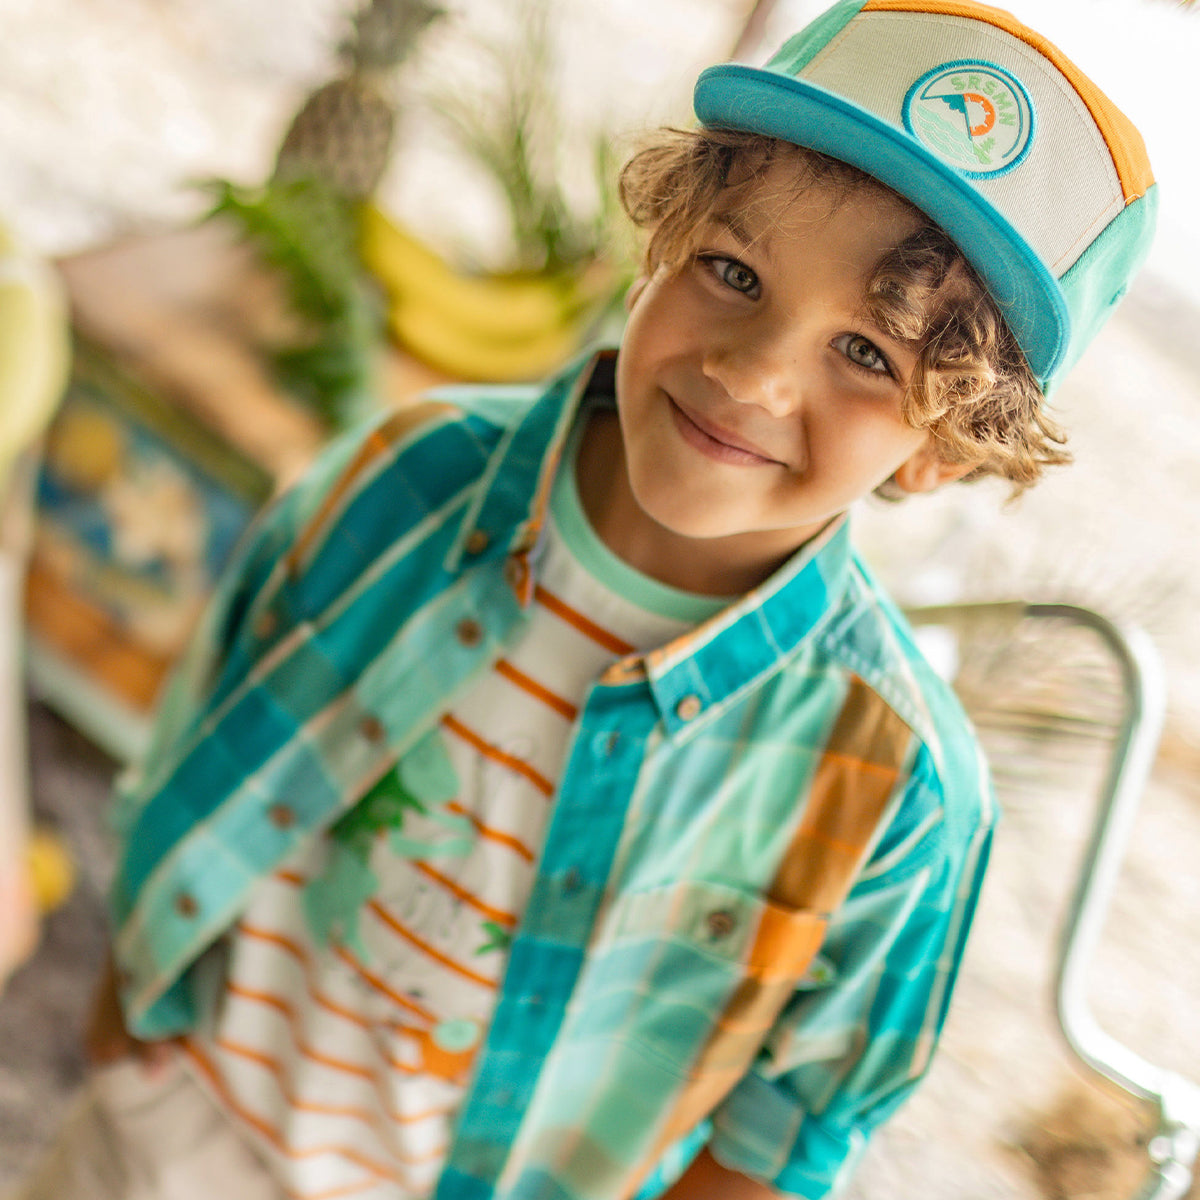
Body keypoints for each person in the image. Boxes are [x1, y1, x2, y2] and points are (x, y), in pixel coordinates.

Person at [9, 1, 1157, 1198]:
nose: (750, 370)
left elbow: (793, 1128)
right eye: (734, 270)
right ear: (662, 240)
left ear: (944, 451)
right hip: (166, 1135)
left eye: (868, 352)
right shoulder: (411, 473)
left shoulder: (899, 789)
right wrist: (125, 1018)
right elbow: (213, 704)